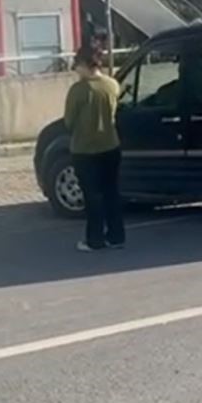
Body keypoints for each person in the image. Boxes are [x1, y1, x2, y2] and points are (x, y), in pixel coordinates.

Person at [65, 47, 124, 252]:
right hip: (110, 145)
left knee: (92, 196)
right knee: (112, 193)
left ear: (84, 65)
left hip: (85, 150)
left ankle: (95, 239)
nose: (76, 70)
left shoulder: (78, 90)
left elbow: (69, 121)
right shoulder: (112, 85)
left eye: (77, 65)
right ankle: (116, 236)